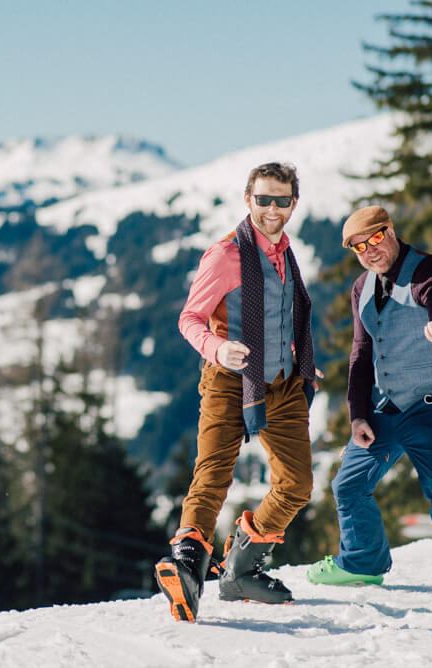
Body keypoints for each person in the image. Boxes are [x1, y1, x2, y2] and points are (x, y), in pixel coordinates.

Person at [305, 205, 432, 623]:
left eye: (374, 239)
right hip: (387, 407)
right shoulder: (361, 288)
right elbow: (361, 352)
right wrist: (358, 416)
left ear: (389, 232)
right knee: (348, 484)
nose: (369, 251)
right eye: (358, 247)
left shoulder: (430, 271)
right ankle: (362, 563)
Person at [154, 162, 317, 622]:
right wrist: (217, 347)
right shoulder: (225, 255)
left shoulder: (286, 253)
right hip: (230, 380)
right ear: (248, 200)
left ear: (293, 204)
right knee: (212, 476)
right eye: (262, 199)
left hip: (284, 383)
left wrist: (299, 358)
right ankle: (186, 566)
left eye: (280, 200)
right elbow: (189, 318)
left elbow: (282, 313)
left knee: (297, 484)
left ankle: (241, 569)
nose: (271, 208)